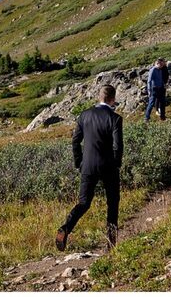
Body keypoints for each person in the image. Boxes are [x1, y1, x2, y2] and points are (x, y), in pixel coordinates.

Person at [57, 85, 123, 252]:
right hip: (108, 166)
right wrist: (116, 163)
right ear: (113, 99)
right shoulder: (115, 118)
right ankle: (111, 244)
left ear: (99, 97)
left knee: (84, 202)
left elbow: (75, 141)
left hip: (88, 165)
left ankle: (65, 228)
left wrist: (79, 162)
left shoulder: (84, 115)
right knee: (112, 203)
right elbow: (118, 146)